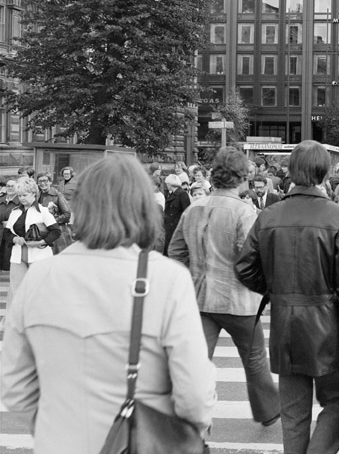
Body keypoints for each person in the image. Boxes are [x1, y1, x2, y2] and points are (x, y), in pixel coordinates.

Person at [0, 156, 215, 453]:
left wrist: (55, 426)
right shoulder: (167, 279)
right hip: (143, 441)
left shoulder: (39, 277)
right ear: (142, 208)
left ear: (82, 208)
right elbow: (194, 396)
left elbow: (15, 388)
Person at [236, 140, 339, 454]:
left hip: (285, 323)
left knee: (293, 414)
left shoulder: (269, 214)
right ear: (324, 173)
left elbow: (244, 267)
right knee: (336, 402)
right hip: (327, 327)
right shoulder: (337, 216)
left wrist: (274, 289)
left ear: (292, 171)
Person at [169, 147, 280, 427]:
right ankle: (267, 411)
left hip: (200, 299)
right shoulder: (245, 213)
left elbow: (176, 252)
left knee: (197, 361)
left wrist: (191, 279)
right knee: (254, 359)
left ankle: (189, 414)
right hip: (239, 300)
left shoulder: (193, 209)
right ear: (242, 177)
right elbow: (253, 258)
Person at [5, 177, 61, 314]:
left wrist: (41, 242)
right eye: (19, 196)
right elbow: (7, 233)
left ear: (33, 194)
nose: (22, 198)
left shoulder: (43, 211)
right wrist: (14, 239)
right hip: (18, 256)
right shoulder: (15, 212)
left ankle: (41, 318)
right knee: (16, 289)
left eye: (25, 195)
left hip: (39, 256)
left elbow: (56, 232)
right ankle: (14, 320)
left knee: (40, 289)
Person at [36, 172, 73, 254]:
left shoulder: (57, 195)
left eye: (45, 181)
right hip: (43, 232)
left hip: (58, 233)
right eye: (40, 181)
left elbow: (67, 215)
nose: (42, 183)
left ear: (50, 182)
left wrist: (50, 221)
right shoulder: (38, 196)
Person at [163, 173, 190, 255]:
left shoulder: (182, 194)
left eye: (167, 184)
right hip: (170, 226)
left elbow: (186, 210)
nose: (166, 186)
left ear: (171, 184)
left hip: (176, 225)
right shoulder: (172, 194)